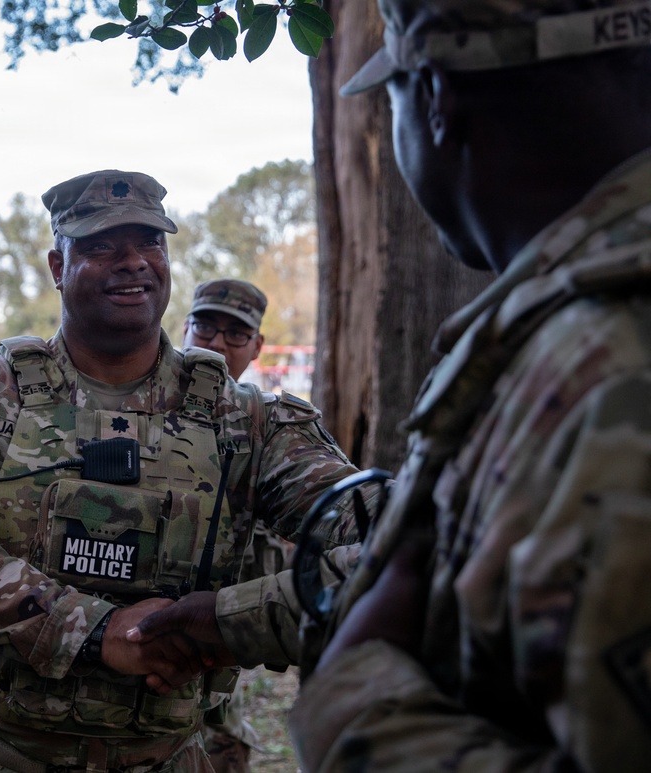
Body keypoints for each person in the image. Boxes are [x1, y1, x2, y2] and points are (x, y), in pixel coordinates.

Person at [130, 0, 651, 769]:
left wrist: (352, 693)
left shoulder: (603, 362)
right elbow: (425, 571)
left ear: (434, 97)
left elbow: (392, 576)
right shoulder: (560, 334)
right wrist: (226, 618)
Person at [0, 169, 361, 773]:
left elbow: (371, 526)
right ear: (58, 266)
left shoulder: (246, 419)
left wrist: (230, 622)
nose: (133, 262)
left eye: (149, 243)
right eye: (101, 246)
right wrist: (93, 629)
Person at [182, 278, 290, 773]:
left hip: (214, 646)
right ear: (185, 327)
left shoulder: (263, 430)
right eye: (205, 326)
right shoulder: (138, 406)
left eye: (235, 333)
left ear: (257, 346)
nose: (217, 342)